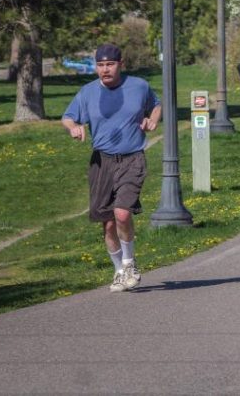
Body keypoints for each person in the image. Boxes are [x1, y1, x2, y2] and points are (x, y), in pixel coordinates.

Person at [61, 43, 160, 293]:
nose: (105, 70)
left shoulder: (139, 86)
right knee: (107, 223)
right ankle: (118, 271)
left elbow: (156, 104)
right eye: (101, 65)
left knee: (122, 214)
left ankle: (129, 263)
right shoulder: (87, 92)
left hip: (131, 158)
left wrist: (152, 120)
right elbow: (68, 116)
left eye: (110, 64)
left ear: (121, 65)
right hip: (101, 162)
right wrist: (73, 127)